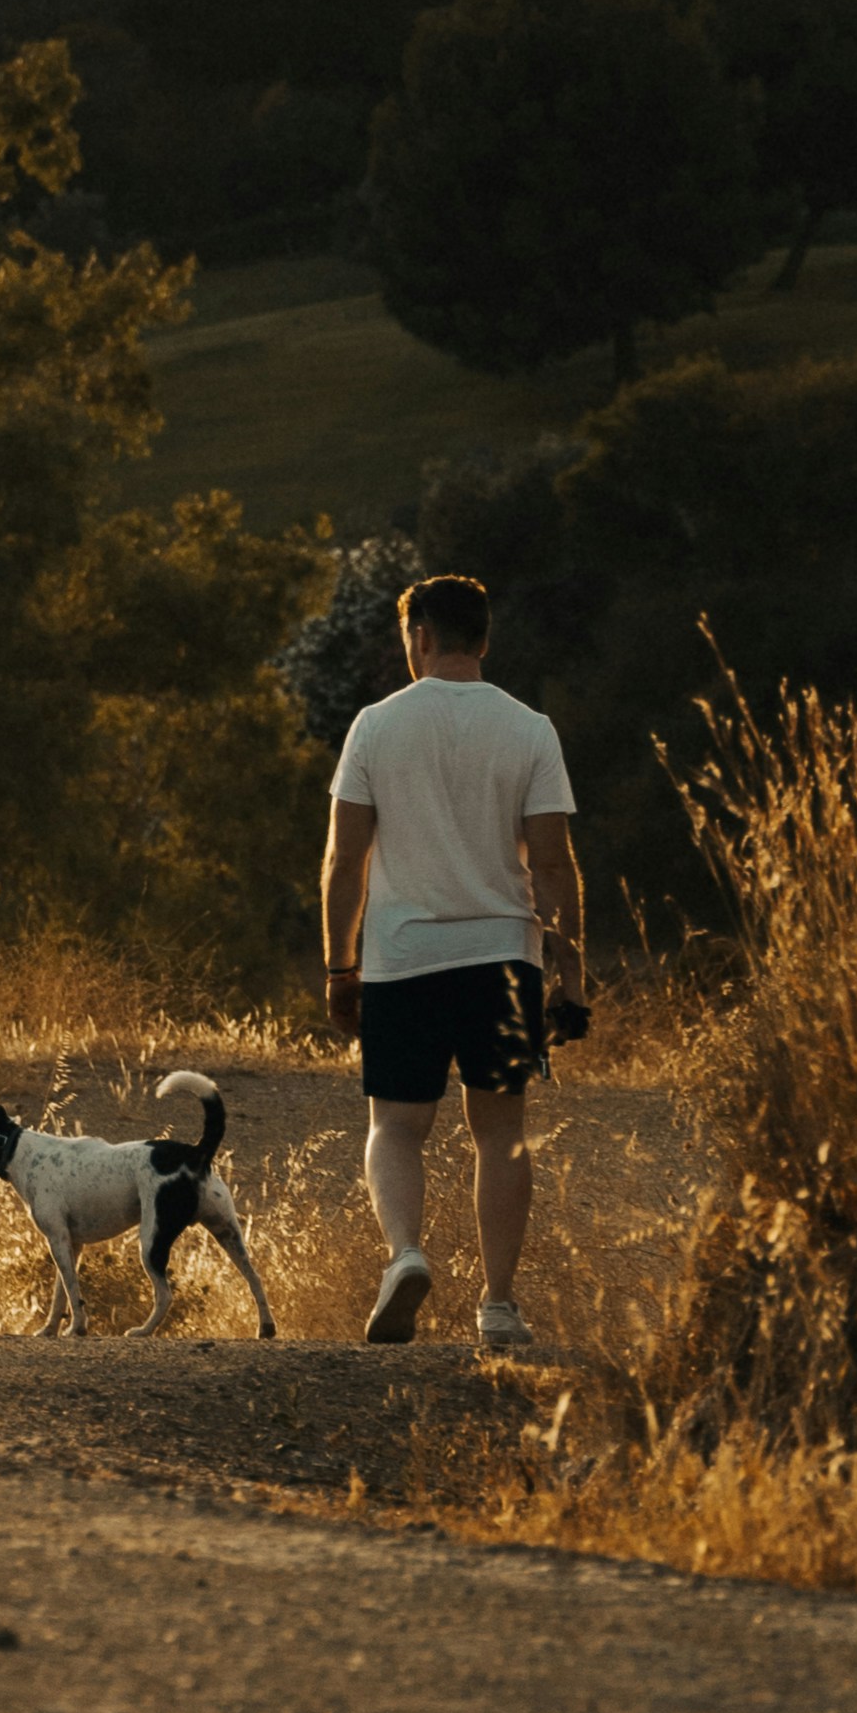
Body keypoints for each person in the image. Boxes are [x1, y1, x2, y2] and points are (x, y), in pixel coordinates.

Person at [318, 569, 584, 1355]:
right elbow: (555, 865)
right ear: (485, 638)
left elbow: (344, 858)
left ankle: (406, 1253)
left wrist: (339, 965)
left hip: (404, 957)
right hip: (504, 957)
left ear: (421, 637)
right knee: (499, 1131)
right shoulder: (531, 728)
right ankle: (498, 1306)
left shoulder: (375, 725)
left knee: (396, 1126)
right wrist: (569, 976)